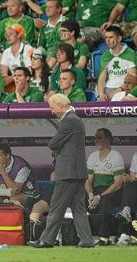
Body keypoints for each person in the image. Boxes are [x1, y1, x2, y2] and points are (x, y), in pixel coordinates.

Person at [28, 94, 94, 248]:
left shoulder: (70, 120)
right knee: (78, 208)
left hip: (68, 172)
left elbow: (53, 143)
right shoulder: (75, 119)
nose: (52, 112)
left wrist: (57, 149)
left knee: (57, 206)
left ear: (60, 105)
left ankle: (47, 240)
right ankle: (86, 240)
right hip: (77, 172)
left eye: (52, 108)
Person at [85, 128, 125, 245]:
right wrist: (90, 194)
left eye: (99, 137)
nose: (96, 140)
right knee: (77, 199)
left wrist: (100, 196)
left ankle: (103, 237)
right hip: (96, 190)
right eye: (95, 138)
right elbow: (88, 180)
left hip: (112, 191)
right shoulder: (92, 156)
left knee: (106, 202)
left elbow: (118, 183)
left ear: (108, 140)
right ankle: (82, 235)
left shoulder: (116, 156)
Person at [0, 143, 40, 214]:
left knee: (14, 199)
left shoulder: (22, 166)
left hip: (30, 193)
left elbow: (16, 191)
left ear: (7, 155)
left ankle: (17, 221)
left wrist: (3, 172)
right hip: (8, 194)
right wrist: (7, 192)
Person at [98, 26, 137, 101]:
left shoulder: (130, 54)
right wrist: (101, 93)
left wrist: (120, 89)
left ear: (119, 38)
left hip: (124, 89)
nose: (108, 40)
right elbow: (101, 79)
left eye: (111, 37)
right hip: (108, 89)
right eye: (106, 37)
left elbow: (132, 79)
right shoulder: (106, 55)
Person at [0, 24, 34, 93]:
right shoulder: (6, 52)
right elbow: (4, 74)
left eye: (11, 34)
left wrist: (12, 78)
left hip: (28, 81)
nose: (8, 37)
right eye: (7, 35)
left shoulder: (28, 49)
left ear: (19, 35)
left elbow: (30, 71)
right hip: (14, 83)